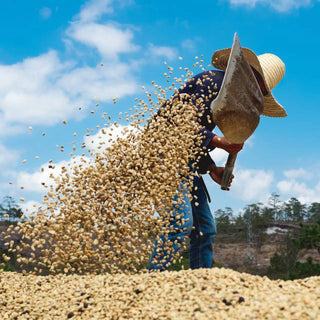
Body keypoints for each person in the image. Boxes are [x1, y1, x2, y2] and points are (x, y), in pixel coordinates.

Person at [148, 45, 287, 271]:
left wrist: (212, 168)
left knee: (205, 229)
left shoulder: (225, 98)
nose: (259, 94)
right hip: (159, 158)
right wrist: (221, 142)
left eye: (263, 93)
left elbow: (191, 143)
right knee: (179, 223)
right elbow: (182, 128)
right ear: (249, 75)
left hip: (183, 163)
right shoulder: (212, 82)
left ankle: (201, 285)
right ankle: (150, 284)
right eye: (261, 88)